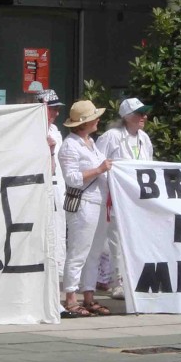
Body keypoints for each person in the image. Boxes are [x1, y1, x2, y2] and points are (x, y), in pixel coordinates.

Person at [58, 100, 112, 317]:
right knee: (78, 251)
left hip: (98, 202)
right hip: (83, 204)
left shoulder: (91, 142)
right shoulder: (70, 146)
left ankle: (88, 295)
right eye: (94, 118)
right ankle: (70, 297)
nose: (98, 120)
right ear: (84, 123)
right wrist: (99, 169)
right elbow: (71, 179)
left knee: (94, 252)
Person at [97, 97, 154, 300]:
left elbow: (150, 168)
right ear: (127, 116)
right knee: (116, 241)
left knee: (135, 240)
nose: (144, 117)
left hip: (137, 200)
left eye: (145, 113)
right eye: (140, 113)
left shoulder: (144, 138)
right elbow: (99, 165)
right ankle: (117, 281)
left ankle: (134, 279)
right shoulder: (111, 137)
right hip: (116, 198)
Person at [36, 89, 67, 295]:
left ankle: (56, 288)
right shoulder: (30, 129)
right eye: (52, 108)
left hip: (58, 188)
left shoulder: (55, 130)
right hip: (40, 188)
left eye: (57, 109)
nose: (55, 113)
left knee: (58, 235)